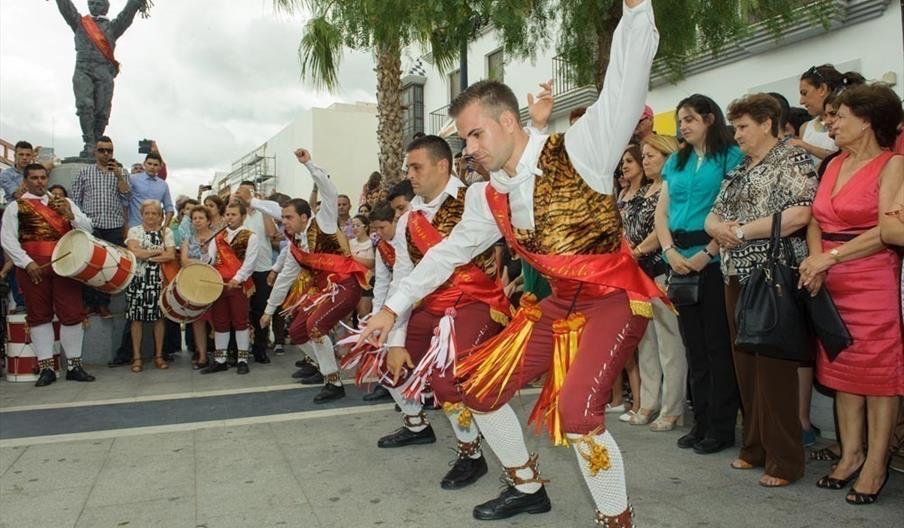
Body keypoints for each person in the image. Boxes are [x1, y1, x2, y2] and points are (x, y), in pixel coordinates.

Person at [360, 1, 660, 523]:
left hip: (612, 300)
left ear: (506, 121)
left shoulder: (583, 150)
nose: (469, 148)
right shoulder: (489, 196)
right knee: (477, 387)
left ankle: (616, 519)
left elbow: (626, 81)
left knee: (578, 413)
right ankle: (525, 486)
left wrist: (636, 12)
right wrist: (393, 309)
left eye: (476, 135)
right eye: (463, 139)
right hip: (554, 304)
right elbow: (445, 255)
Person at [798, 83, 903, 505]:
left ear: (867, 121)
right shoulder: (833, 164)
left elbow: (887, 230)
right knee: (843, 372)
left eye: (839, 116)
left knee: (877, 377)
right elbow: (815, 218)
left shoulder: (893, 164)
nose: (830, 122)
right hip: (830, 279)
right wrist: (814, 262)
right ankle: (850, 454)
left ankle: (876, 465)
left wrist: (830, 259)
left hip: (873, 277)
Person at [706, 93, 817, 487]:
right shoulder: (740, 167)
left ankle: (785, 460)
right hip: (734, 274)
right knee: (746, 369)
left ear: (767, 123)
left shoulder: (792, 158)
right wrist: (717, 227)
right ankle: (753, 448)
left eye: (742, 127)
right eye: (735, 127)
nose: (736, 135)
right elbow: (713, 215)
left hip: (773, 275)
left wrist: (738, 230)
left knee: (774, 370)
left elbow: (801, 213)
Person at [654, 94, 744, 455]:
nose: (683, 126)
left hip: (716, 259)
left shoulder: (730, 157)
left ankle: (721, 428)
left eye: (690, 119)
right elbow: (662, 213)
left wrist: (707, 254)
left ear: (709, 118)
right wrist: (670, 252)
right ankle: (700, 422)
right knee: (693, 346)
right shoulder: (676, 162)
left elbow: (734, 210)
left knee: (717, 345)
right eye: (680, 121)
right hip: (678, 259)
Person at [261, 149, 366, 403]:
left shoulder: (324, 222)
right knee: (297, 330)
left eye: (288, 217)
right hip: (324, 292)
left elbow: (329, 191)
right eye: (282, 217)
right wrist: (268, 309)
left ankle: (333, 381)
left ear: (304, 216)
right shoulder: (296, 246)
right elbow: (285, 278)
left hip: (345, 286)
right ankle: (324, 367)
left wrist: (308, 164)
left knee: (316, 327)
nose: (283, 222)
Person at [0, 164, 96, 386]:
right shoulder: (16, 207)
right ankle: (46, 368)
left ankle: (74, 365)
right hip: (34, 268)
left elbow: (87, 230)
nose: (40, 182)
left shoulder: (65, 203)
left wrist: (70, 215)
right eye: (34, 178)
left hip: (65, 266)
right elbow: (7, 239)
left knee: (72, 313)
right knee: (38, 315)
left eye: (43, 177)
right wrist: (27, 263)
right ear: (26, 181)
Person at [626, 134, 687, 431]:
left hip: (661, 272)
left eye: (651, 156)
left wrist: (637, 251)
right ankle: (649, 403)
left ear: (668, 156)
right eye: (645, 156)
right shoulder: (641, 192)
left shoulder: (670, 187)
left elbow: (662, 230)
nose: (646, 161)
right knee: (645, 343)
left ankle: (673, 408)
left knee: (669, 345)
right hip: (637, 276)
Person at [71, 135, 130, 319]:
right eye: (102, 150)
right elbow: (75, 200)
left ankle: (104, 304)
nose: (106, 154)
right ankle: (90, 303)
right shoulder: (85, 173)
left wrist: (119, 176)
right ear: (95, 152)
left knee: (110, 267)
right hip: (91, 225)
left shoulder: (122, 172)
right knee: (88, 264)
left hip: (113, 226)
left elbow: (127, 198)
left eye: (109, 150)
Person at [202, 201, 259, 375]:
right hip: (219, 285)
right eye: (227, 214)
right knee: (220, 322)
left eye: (233, 214)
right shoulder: (217, 237)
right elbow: (210, 261)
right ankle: (220, 360)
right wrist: (204, 251)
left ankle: (242, 360)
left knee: (240, 322)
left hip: (238, 286)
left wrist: (237, 279)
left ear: (243, 216)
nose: (229, 218)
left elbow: (250, 263)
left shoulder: (251, 236)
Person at [613, 144, 646, 422]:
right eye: (623, 161)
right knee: (624, 344)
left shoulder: (647, 195)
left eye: (630, 161)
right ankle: (624, 400)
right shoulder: (622, 194)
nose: (625, 166)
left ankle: (639, 402)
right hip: (619, 272)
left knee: (640, 345)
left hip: (640, 270)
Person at [125, 200, 176, 372]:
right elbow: (134, 252)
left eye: (154, 213)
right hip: (138, 280)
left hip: (159, 280)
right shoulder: (134, 231)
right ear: (142, 214)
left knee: (159, 319)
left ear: (160, 216)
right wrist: (156, 252)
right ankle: (137, 357)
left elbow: (170, 256)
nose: (150, 216)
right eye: (147, 213)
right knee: (136, 319)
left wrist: (146, 256)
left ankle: (159, 355)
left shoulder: (166, 232)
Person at [234, 182, 281, 364]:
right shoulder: (237, 215)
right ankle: (240, 350)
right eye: (241, 192)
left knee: (260, 310)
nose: (244, 195)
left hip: (262, 268)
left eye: (248, 192)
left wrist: (262, 207)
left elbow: (271, 233)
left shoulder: (262, 212)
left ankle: (260, 348)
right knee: (241, 311)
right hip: (242, 270)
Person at [794, 65, 865, 164]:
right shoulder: (805, 128)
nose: (801, 101)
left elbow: (848, 155)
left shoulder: (848, 123)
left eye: (805, 93)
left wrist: (807, 147)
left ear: (823, 89)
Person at [181, 205, 215, 369]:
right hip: (194, 283)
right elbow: (184, 261)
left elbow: (218, 260)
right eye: (194, 218)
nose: (197, 221)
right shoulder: (189, 238)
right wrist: (201, 263)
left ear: (209, 220)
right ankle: (202, 355)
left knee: (217, 318)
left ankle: (220, 354)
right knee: (198, 320)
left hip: (213, 282)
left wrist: (200, 262)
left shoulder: (217, 238)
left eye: (201, 218)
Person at [125, 152, 174, 228]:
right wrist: (125, 226)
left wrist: (164, 227)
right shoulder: (132, 179)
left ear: (160, 167)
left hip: (155, 230)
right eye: (149, 163)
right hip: (134, 226)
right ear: (144, 164)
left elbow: (169, 208)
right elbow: (124, 202)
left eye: (155, 165)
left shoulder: (163, 185)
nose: (152, 167)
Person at [349, 214, 375, 319]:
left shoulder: (371, 242)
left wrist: (352, 258)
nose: (355, 228)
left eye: (358, 225)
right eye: (353, 226)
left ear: (366, 227)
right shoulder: (350, 242)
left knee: (363, 313)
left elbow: (370, 264)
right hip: (352, 279)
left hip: (367, 280)